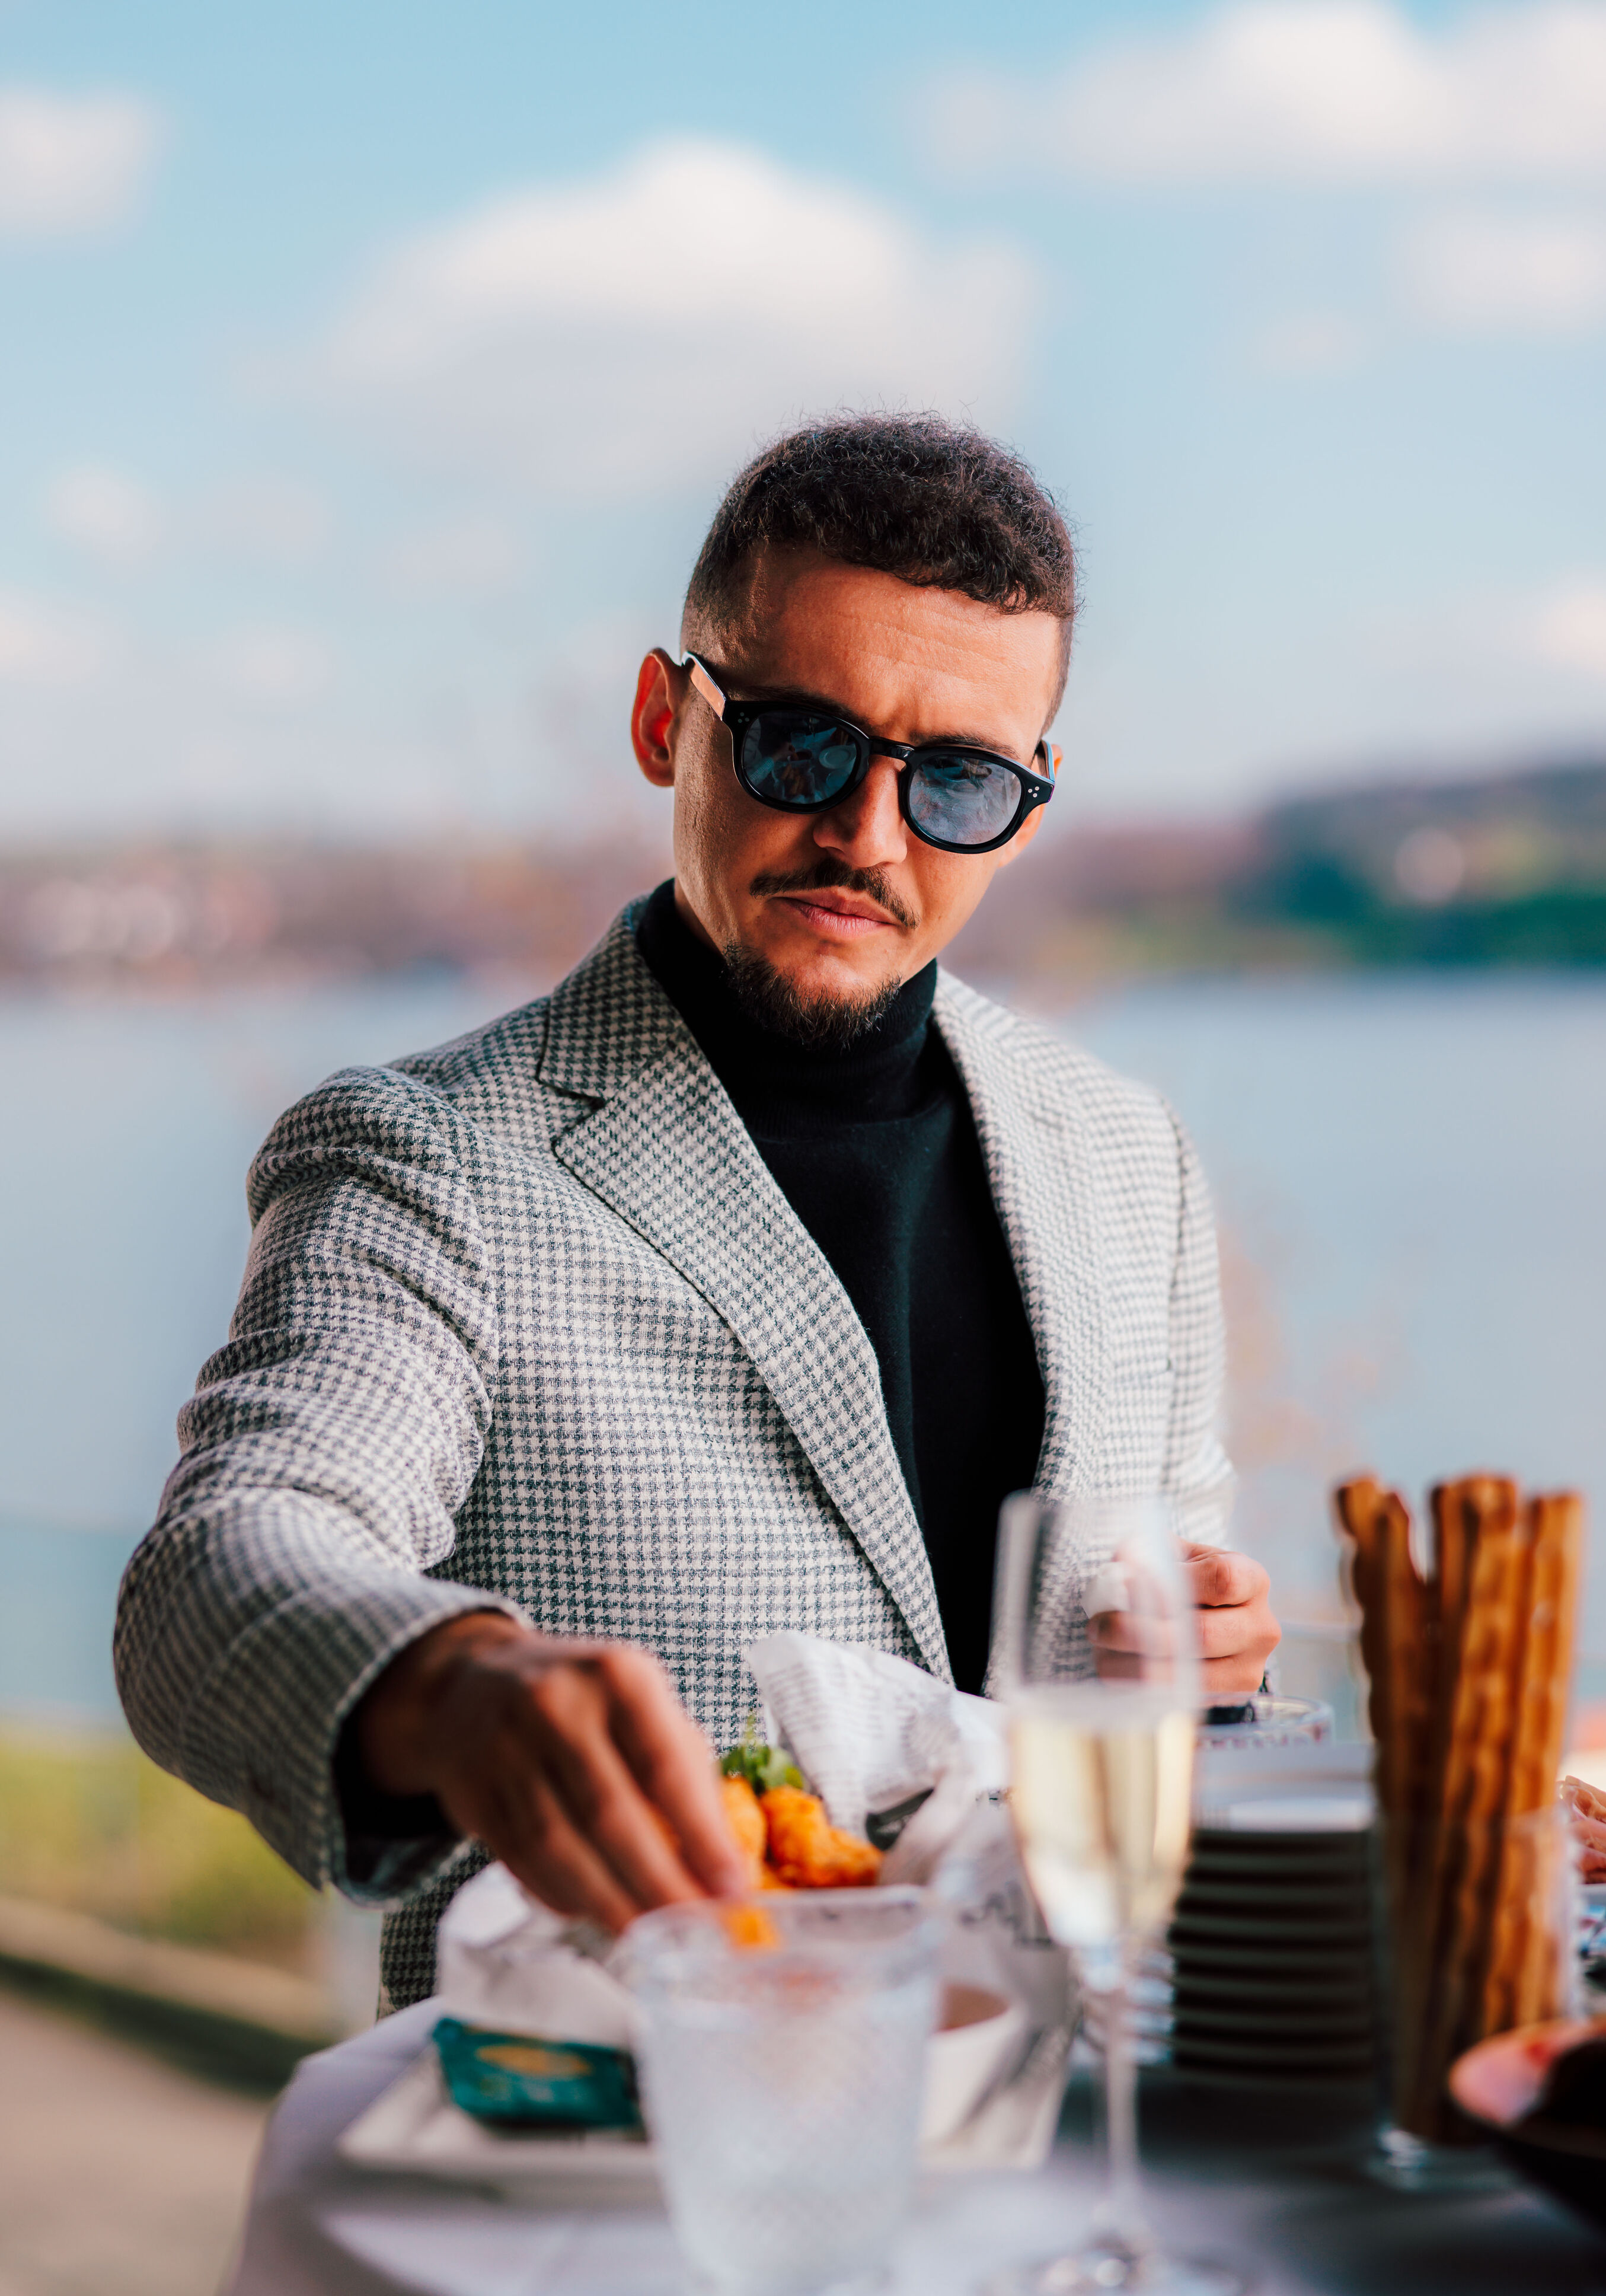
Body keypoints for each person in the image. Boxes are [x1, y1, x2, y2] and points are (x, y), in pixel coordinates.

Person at [114, 415, 1279, 2008]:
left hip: (1074, 2164)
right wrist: (448, 1686)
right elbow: (216, 1571)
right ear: (670, 719)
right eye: (803, 743)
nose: (870, 837)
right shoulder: (425, 1155)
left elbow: (1162, 1667)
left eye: (956, 780)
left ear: (1027, 804)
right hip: (629, 2167)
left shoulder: (1130, 1163)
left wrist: (1207, 1674)